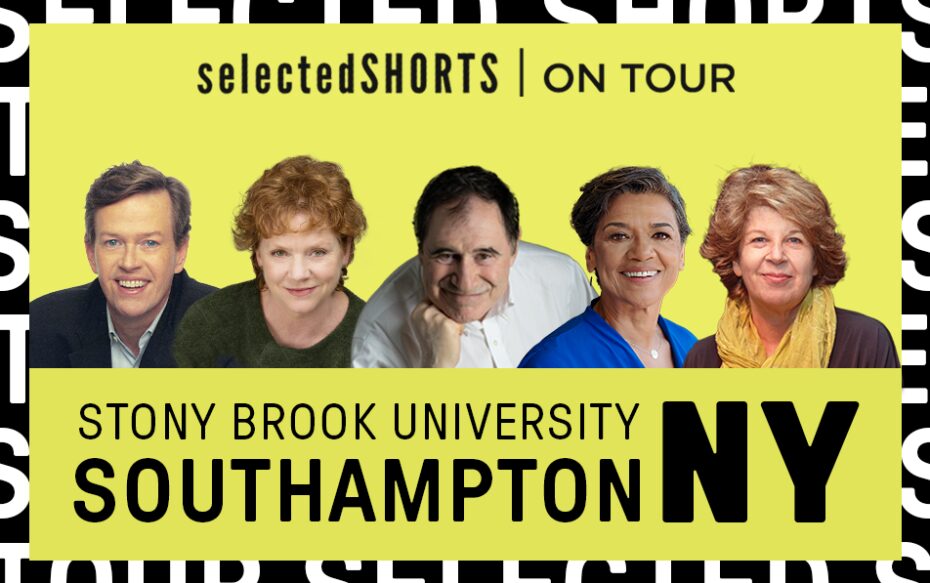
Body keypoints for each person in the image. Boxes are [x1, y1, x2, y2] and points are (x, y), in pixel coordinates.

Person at [352, 165, 595, 368]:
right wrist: (436, 366)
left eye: (485, 255)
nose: (466, 281)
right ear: (421, 251)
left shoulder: (563, 278)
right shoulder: (377, 334)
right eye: (446, 255)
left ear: (514, 249)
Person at [685, 165, 898, 368]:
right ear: (736, 260)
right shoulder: (702, 359)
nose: (777, 256)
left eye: (794, 240)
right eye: (759, 240)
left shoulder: (867, 343)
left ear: (816, 260)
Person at [173, 156, 366, 367]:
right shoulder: (209, 323)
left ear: (346, 251)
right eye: (280, 253)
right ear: (258, 254)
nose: (298, 274)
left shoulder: (378, 340)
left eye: (317, 252)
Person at [29, 161, 216, 368]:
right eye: (113, 242)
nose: (129, 263)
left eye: (150, 243)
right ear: (91, 253)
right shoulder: (38, 327)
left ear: (180, 252)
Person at [520, 167, 696, 368]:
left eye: (660, 235)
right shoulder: (554, 363)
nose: (642, 252)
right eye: (619, 236)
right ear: (591, 256)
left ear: (681, 254)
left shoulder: (691, 346)